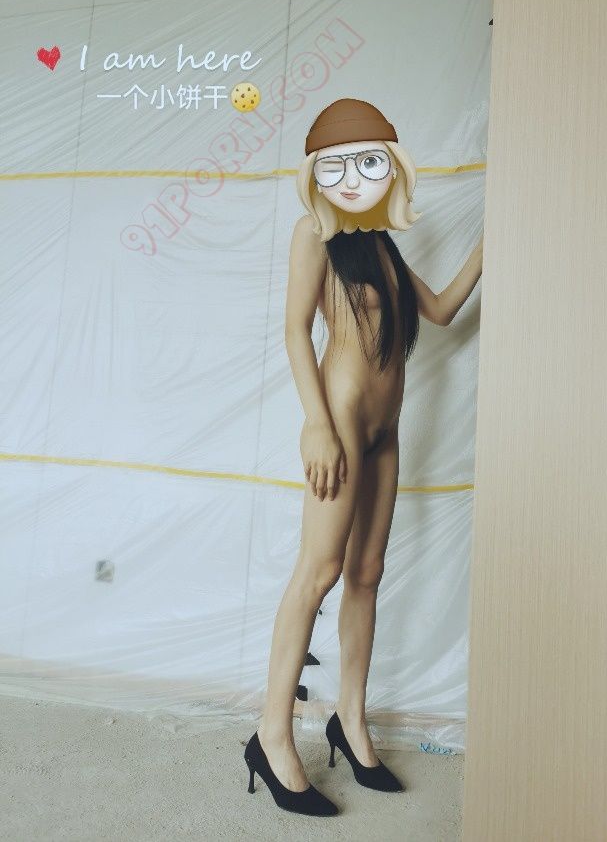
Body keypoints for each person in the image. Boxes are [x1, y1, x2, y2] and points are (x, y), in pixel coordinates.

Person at [244, 98, 484, 817]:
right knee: (317, 573)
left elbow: (440, 310)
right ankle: (271, 734)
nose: (354, 178)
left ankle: (350, 722)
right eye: (338, 166)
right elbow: (295, 330)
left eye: (369, 163)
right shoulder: (314, 233)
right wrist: (316, 423)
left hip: (386, 431)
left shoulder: (379, 243)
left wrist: (494, 238)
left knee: (366, 575)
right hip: (343, 426)